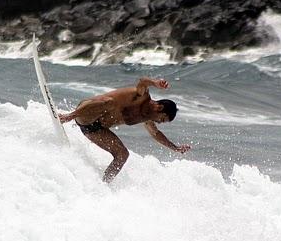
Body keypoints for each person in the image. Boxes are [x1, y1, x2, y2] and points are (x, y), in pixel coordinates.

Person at [58, 77, 191, 183]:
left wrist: (175, 148)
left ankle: (104, 184)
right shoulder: (141, 97)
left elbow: (156, 134)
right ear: (159, 108)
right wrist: (155, 82)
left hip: (93, 129)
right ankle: (69, 116)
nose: (158, 122)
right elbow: (142, 82)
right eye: (161, 119)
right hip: (85, 113)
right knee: (109, 102)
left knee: (123, 155)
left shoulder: (147, 118)